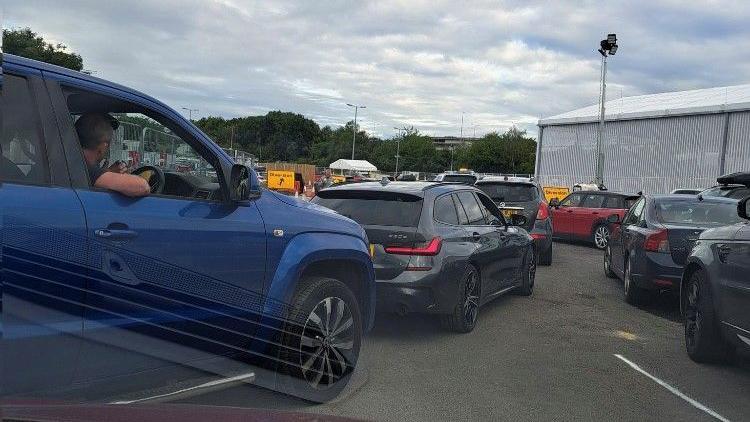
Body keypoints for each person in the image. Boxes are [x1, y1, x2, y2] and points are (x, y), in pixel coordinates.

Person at [75, 113, 150, 197]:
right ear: (103, 146)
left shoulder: (72, 163)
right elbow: (143, 187)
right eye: (109, 143)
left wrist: (108, 172)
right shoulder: (87, 170)